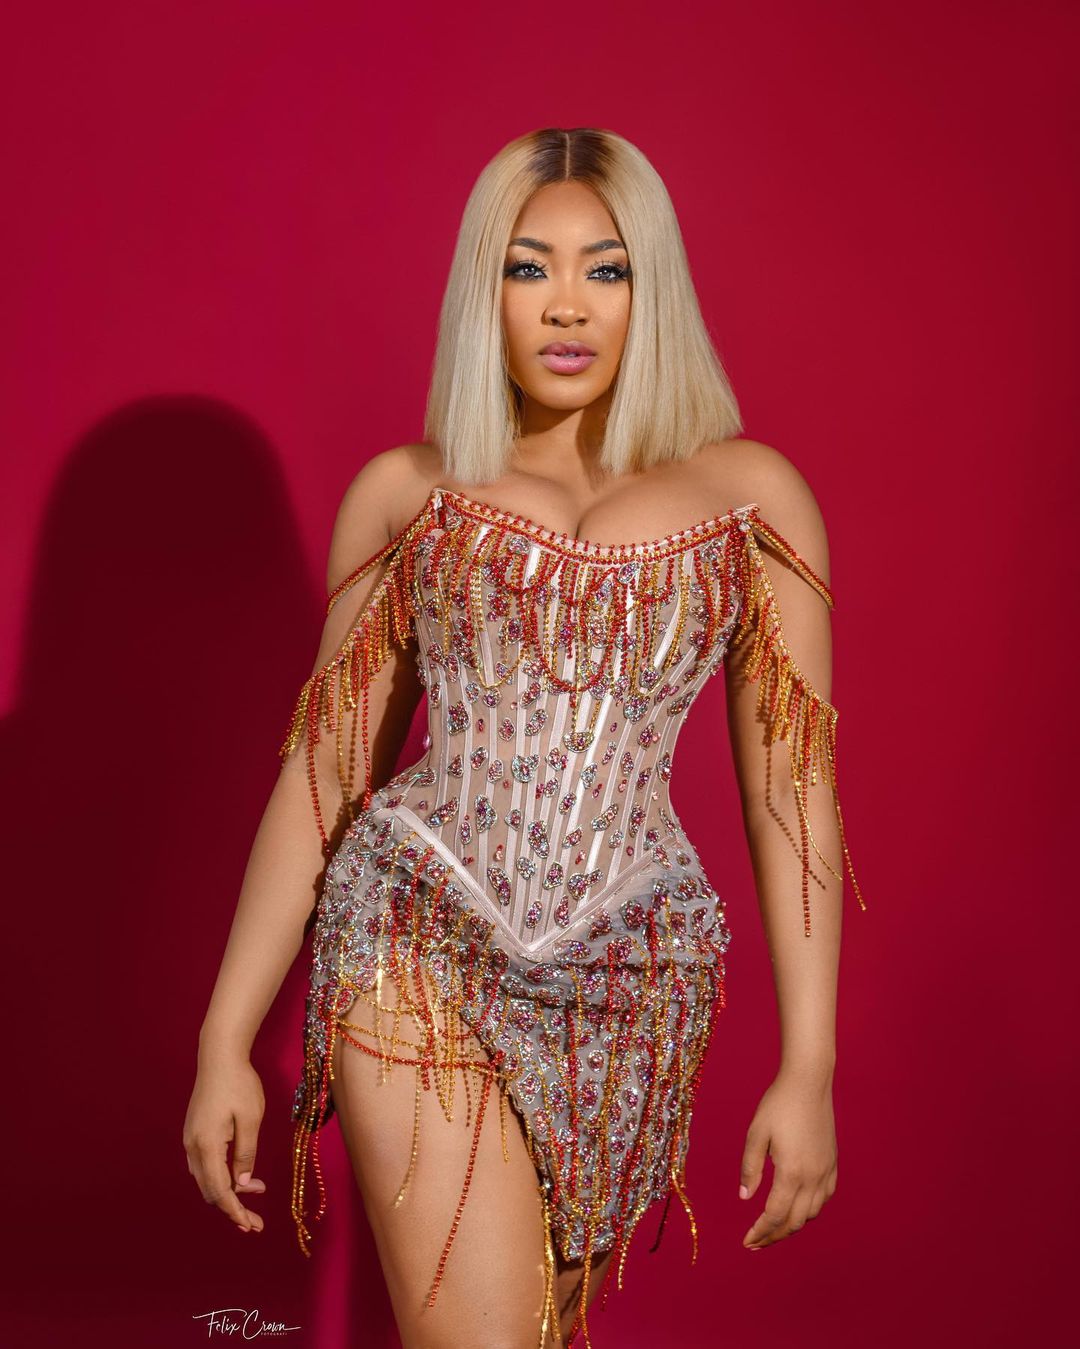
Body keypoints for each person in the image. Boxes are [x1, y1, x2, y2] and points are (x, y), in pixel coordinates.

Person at [183, 126, 867, 1349]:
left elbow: (790, 794)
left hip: (635, 979)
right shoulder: (410, 493)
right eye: (526, 266)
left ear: (651, 291)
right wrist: (225, 1034)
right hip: (413, 931)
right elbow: (328, 770)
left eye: (606, 269)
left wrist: (809, 1061)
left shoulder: (754, 501)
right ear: (481, 289)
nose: (566, 304)